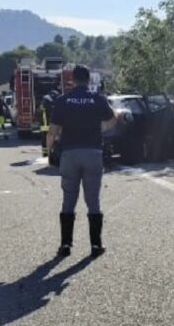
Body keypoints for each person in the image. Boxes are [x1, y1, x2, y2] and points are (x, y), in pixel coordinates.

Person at [47, 65, 117, 258]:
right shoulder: (97, 99)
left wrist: (49, 150)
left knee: (68, 199)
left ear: (73, 80)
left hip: (69, 153)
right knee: (93, 200)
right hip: (93, 152)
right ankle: (96, 245)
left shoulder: (63, 100)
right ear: (88, 80)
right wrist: (100, 131)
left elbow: (52, 130)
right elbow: (113, 119)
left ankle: (65, 246)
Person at [39, 89, 59, 157]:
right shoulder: (55, 100)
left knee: (44, 139)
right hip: (51, 123)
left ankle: (45, 153)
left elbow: (41, 112)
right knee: (54, 137)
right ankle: (52, 152)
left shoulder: (44, 101)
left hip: (44, 124)